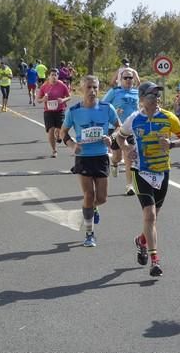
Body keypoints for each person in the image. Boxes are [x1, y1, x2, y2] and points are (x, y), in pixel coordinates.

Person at [116, 81, 180, 277]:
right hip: (141, 172)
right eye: (151, 95)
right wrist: (127, 149)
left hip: (162, 172)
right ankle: (155, 261)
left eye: (157, 95)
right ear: (141, 99)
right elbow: (119, 137)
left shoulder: (168, 117)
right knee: (150, 216)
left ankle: (141, 240)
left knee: (154, 218)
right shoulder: (134, 118)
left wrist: (172, 144)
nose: (156, 98)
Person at [60, 75, 120, 247]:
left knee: (101, 198)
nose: (92, 91)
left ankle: (92, 208)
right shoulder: (74, 111)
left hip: (101, 156)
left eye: (95, 87)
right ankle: (89, 233)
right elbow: (63, 132)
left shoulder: (107, 108)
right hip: (83, 157)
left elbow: (119, 127)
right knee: (88, 194)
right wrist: (72, 145)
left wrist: (111, 138)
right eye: (89, 88)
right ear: (82, 89)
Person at [102, 68, 140, 195]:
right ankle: (114, 163)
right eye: (126, 78)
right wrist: (114, 112)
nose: (128, 80)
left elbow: (139, 108)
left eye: (130, 78)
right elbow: (103, 105)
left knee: (129, 157)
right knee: (117, 157)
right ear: (120, 80)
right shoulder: (114, 92)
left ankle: (129, 185)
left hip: (131, 129)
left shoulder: (137, 92)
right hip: (116, 128)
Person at [37, 68, 71, 158]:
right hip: (48, 111)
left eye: (55, 75)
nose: (54, 77)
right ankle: (54, 150)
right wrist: (43, 99)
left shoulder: (62, 85)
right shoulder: (44, 86)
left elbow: (69, 97)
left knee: (61, 130)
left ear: (58, 76)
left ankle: (58, 135)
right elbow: (38, 100)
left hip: (60, 110)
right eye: (52, 75)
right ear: (49, 76)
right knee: (50, 130)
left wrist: (63, 100)